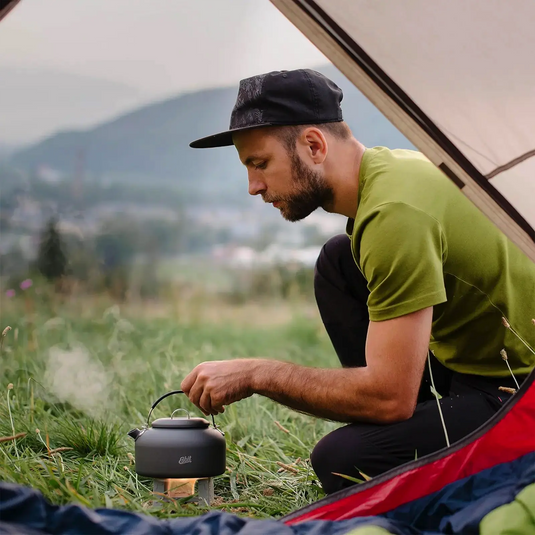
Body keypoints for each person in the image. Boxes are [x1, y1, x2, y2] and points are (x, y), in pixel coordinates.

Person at [182, 69, 535, 494]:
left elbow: (390, 397)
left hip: (519, 389)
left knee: (344, 461)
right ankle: (406, 429)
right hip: (471, 362)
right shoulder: (387, 172)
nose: (254, 186)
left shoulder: (393, 214)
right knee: (338, 261)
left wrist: (258, 374)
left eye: (260, 164)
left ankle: (400, 434)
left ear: (314, 145)